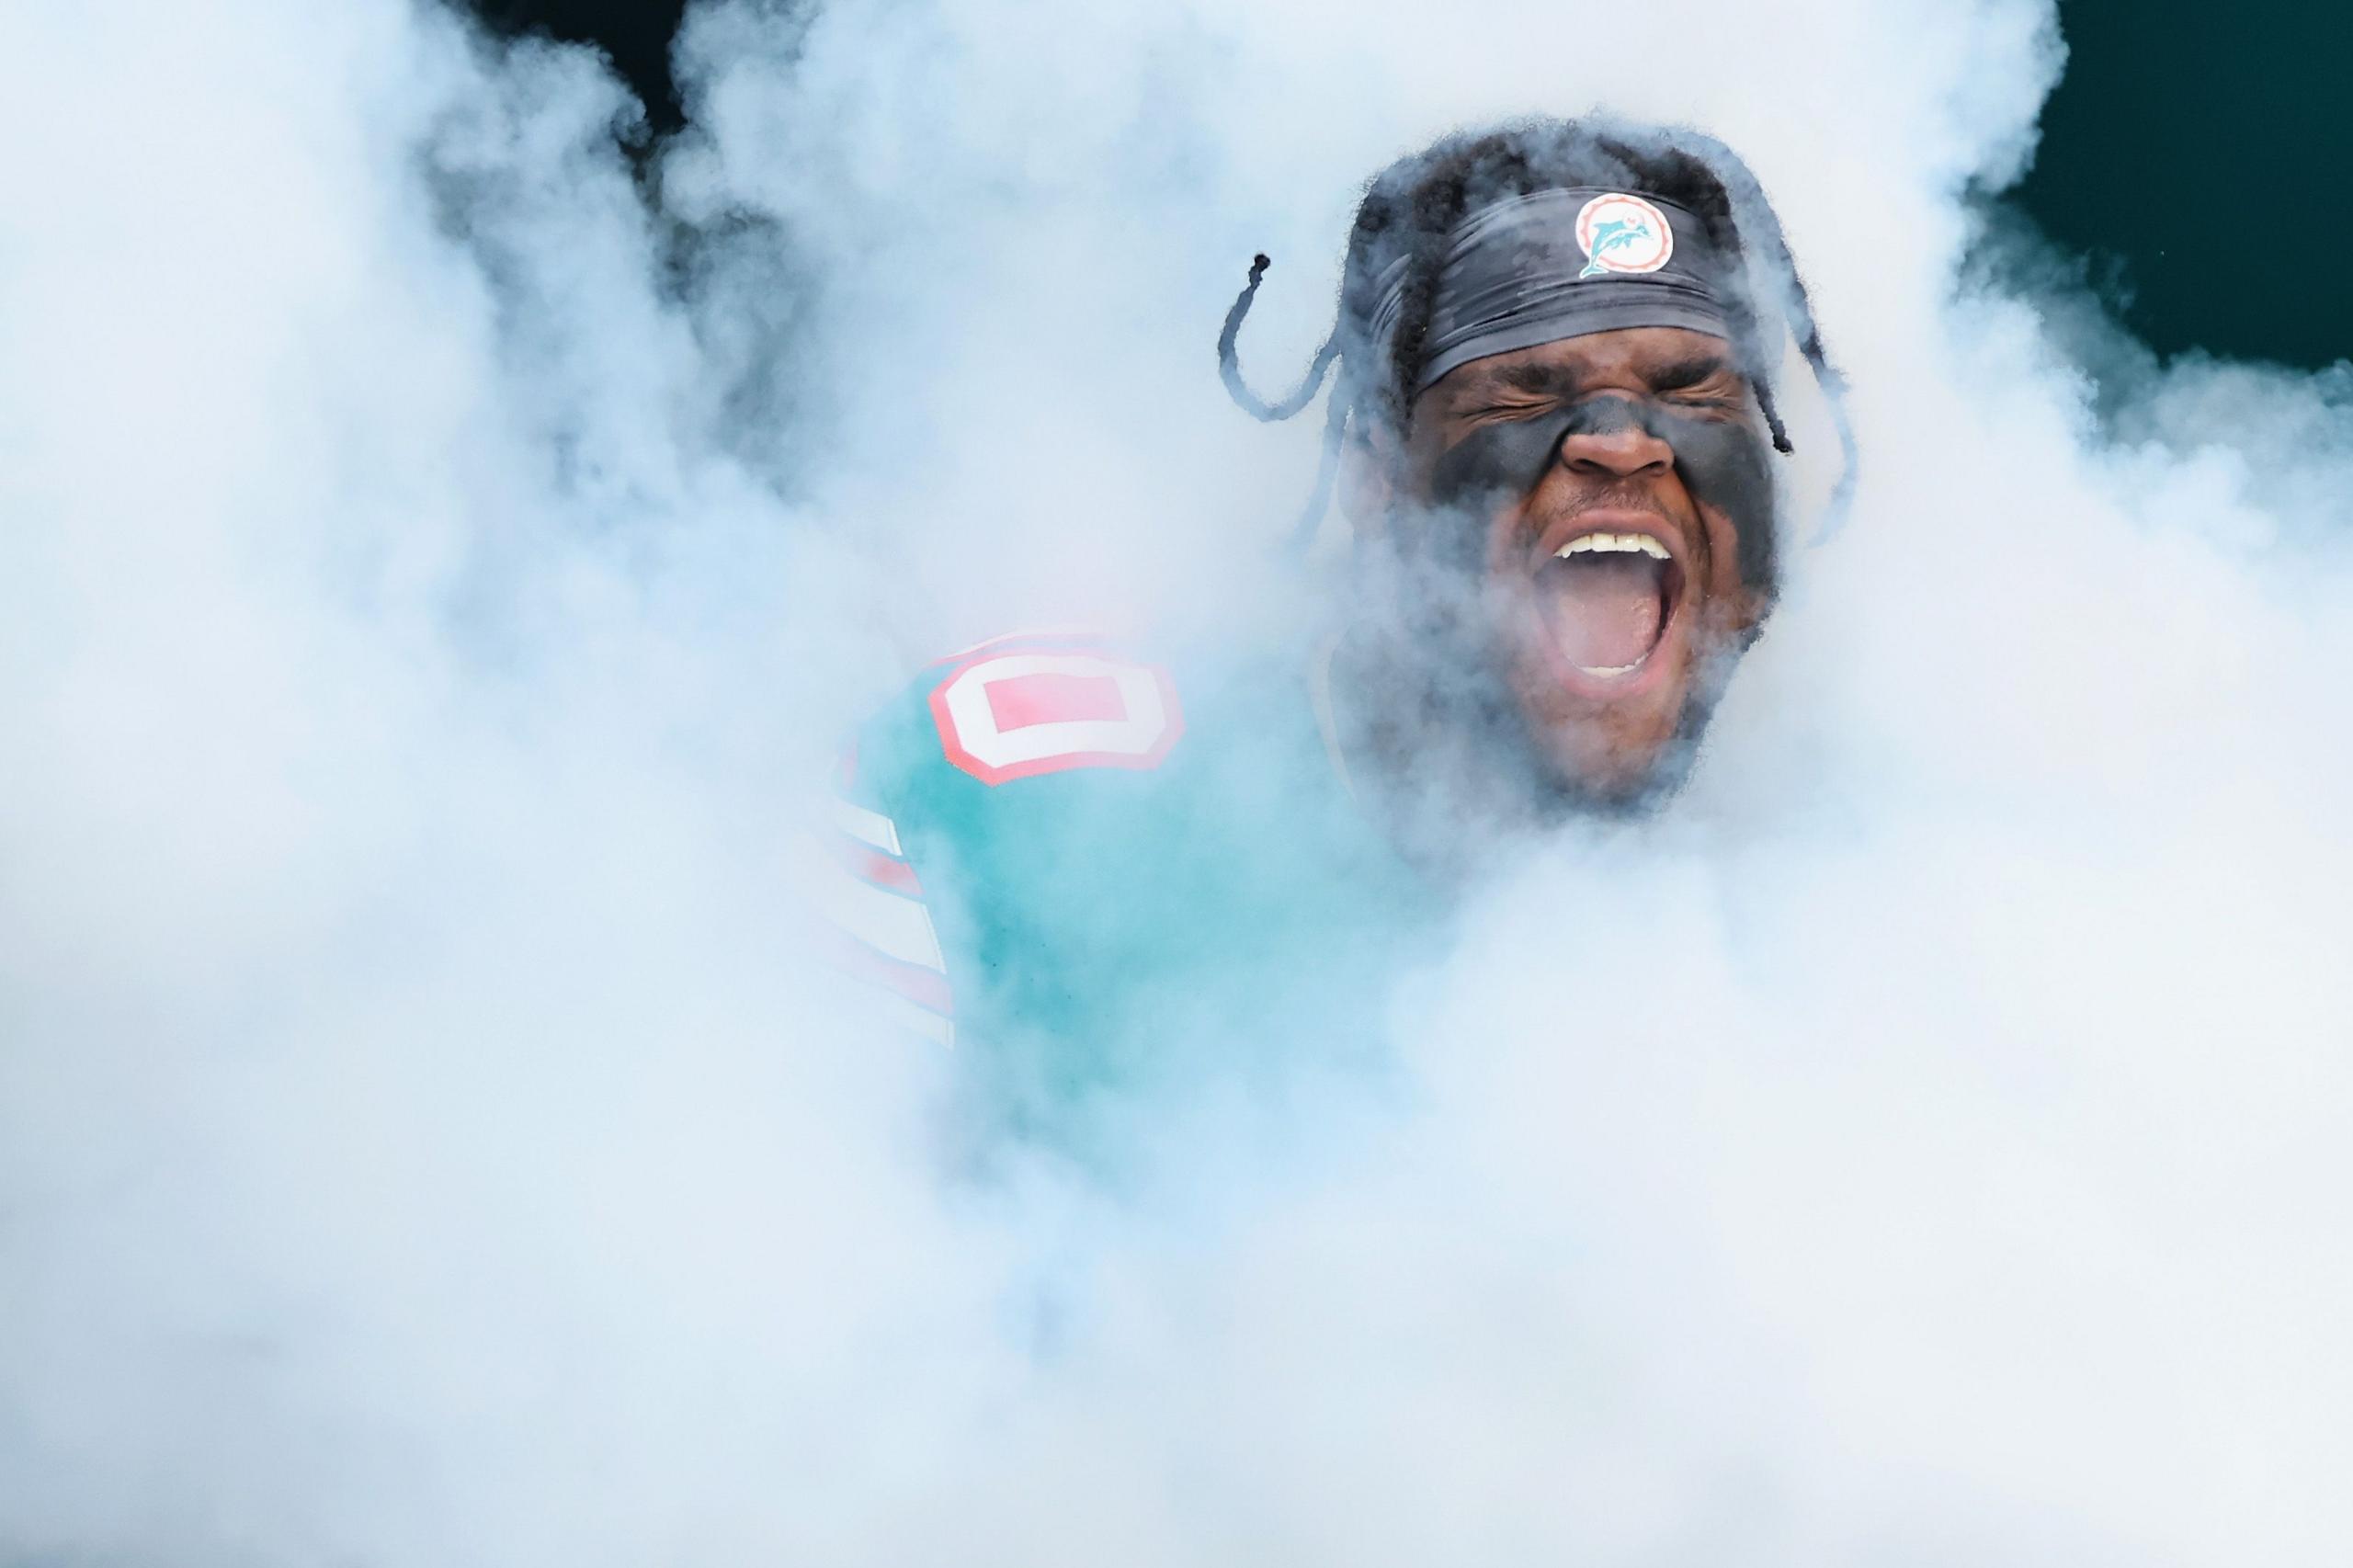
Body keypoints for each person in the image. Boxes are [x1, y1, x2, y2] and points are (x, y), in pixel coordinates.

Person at [805, 116, 1851, 1135]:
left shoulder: (1865, 891)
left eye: (1690, 391)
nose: (1622, 442)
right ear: (1377, 485)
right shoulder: (995, 812)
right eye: (1522, 394)